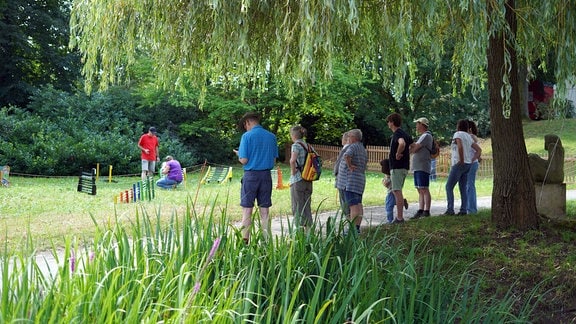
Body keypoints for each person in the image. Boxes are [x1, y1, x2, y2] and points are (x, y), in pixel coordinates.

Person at [234, 112, 278, 243]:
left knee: (247, 210)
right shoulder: (271, 136)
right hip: (266, 176)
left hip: (251, 176)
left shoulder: (246, 136)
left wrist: (238, 155)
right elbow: (274, 160)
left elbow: (244, 160)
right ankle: (266, 241)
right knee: (265, 211)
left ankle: (244, 241)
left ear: (247, 122)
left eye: (245, 125)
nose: (245, 128)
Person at [444, 119, 482, 216]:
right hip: (468, 165)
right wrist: (472, 159)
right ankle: (463, 209)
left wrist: (461, 159)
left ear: (459, 126)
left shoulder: (458, 134)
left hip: (459, 164)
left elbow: (460, 147)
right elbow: (478, 150)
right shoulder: (469, 137)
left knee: (449, 186)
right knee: (463, 187)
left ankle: (450, 209)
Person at [336, 129, 367, 234]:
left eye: (349, 136)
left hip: (350, 181)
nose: (347, 138)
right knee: (358, 204)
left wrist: (349, 166)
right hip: (359, 180)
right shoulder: (362, 148)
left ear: (354, 137)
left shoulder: (352, 147)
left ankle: (352, 229)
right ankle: (357, 228)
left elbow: (346, 155)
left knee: (352, 205)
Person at [386, 113, 413, 224]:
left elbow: (402, 143)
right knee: (396, 190)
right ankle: (399, 215)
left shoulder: (397, 134)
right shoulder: (404, 133)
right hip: (403, 166)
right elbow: (414, 145)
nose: (388, 124)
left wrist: (398, 153)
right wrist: (407, 153)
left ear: (392, 122)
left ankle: (399, 218)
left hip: (397, 167)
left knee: (396, 191)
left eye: (388, 121)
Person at [289, 125, 313, 229]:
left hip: (298, 178)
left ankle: (299, 230)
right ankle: (308, 229)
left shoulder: (296, 145)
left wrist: (293, 171)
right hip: (308, 178)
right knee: (307, 204)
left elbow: (292, 160)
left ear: (293, 135)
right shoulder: (308, 146)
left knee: (297, 205)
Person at [409, 117, 433, 218]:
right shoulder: (422, 136)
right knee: (419, 188)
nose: (416, 126)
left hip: (422, 166)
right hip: (418, 166)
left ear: (422, 125)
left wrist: (410, 146)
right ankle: (421, 209)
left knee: (424, 188)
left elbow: (415, 148)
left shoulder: (426, 136)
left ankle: (426, 210)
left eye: (417, 124)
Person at [333, 132, 350, 218]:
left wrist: (335, 173)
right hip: (347, 180)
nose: (341, 140)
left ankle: (349, 219)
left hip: (342, 180)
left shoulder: (346, 149)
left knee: (344, 201)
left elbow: (339, 164)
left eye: (343, 138)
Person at [466, 120, 481, 214]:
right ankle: (470, 207)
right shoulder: (472, 137)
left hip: (471, 164)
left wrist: (472, 159)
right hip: (473, 163)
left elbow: (477, 150)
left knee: (469, 185)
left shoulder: (470, 137)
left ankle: (471, 209)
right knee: (469, 185)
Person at [380, 159, 395, 224]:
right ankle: (403, 201)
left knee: (389, 206)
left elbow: (386, 184)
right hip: (392, 192)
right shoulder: (391, 175)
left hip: (391, 193)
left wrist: (383, 181)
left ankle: (390, 220)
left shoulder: (389, 177)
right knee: (390, 203)